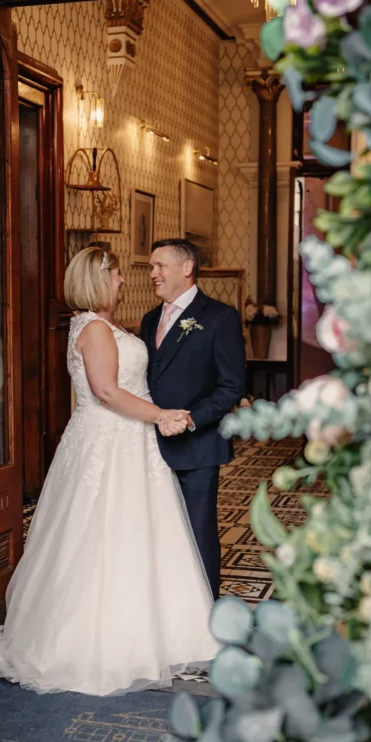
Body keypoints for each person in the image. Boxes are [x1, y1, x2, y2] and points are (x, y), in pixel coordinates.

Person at [0, 244, 219, 696]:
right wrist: (160, 415)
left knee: (139, 538)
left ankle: (156, 634)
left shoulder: (104, 325)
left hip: (130, 444)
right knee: (102, 536)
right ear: (98, 278)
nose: (123, 280)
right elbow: (107, 392)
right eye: (115, 275)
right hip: (108, 444)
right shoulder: (92, 328)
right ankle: (100, 643)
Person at [141, 240, 246, 600]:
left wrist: (189, 420)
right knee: (157, 532)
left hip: (197, 445)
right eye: (151, 267)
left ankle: (204, 613)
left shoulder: (219, 317)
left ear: (186, 268)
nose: (152, 273)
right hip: (150, 443)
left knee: (197, 531)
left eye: (160, 266)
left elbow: (231, 386)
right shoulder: (149, 319)